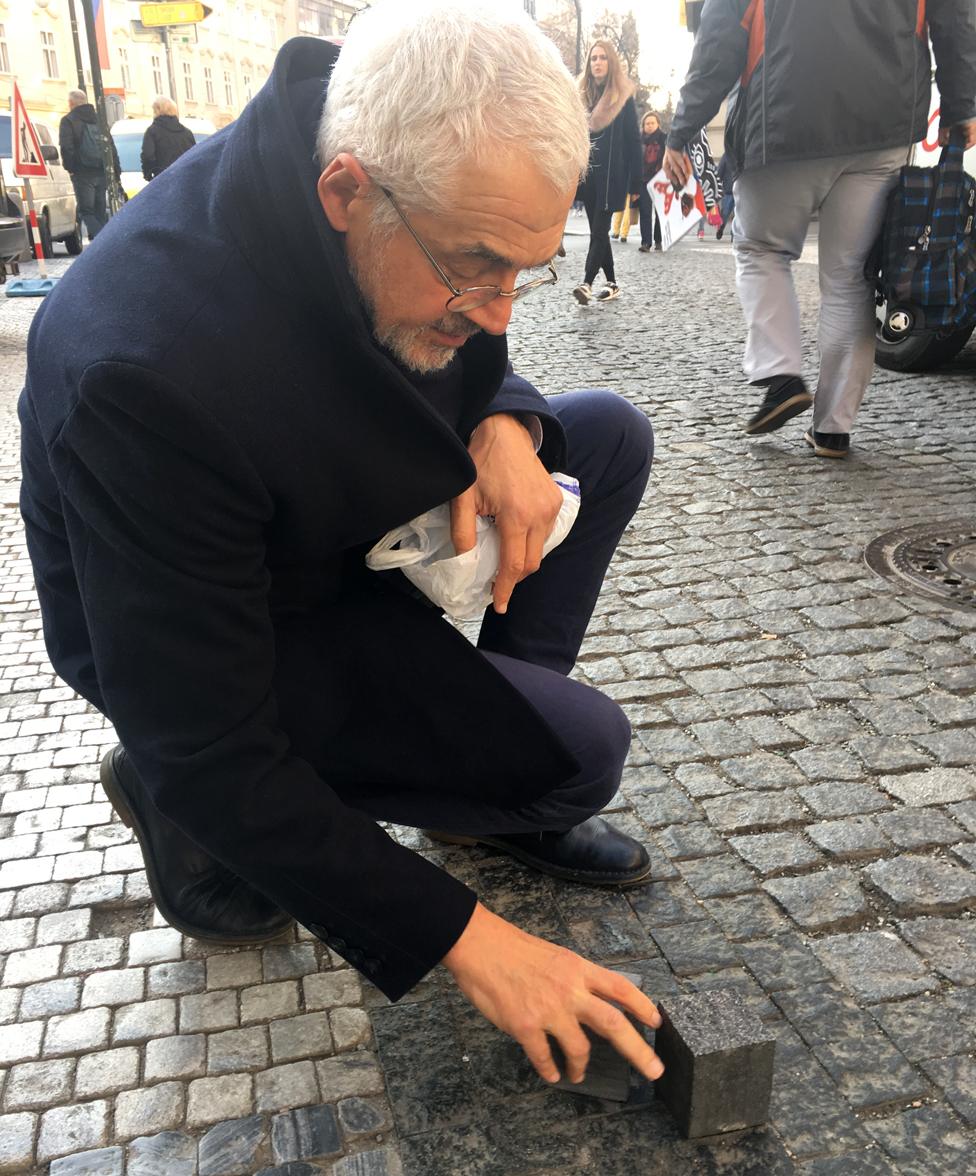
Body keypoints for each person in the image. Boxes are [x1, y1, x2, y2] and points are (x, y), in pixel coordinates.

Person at [20, 1, 664, 1090]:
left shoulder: (370, 150)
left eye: (528, 269)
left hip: (321, 516)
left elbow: (450, 331)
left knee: (602, 434)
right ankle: (188, 826)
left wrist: (505, 412)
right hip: (242, 617)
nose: (501, 311)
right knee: (585, 757)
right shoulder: (144, 372)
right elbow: (215, 746)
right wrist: (471, 942)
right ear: (347, 192)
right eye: (477, 267)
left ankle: (474, 750)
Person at [664, 0, 976, 458]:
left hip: (784, 112)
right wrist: (960, 105)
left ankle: (781, 374)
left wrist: (683, 129)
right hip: (883, 119)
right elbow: (953, 14)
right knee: (850, 276)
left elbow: (718, 39)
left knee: (760, 249)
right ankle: (833, 428)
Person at [572, 41, 641, 305]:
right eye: (593, 58)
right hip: (589, 175)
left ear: (610, 63)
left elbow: (634, 141)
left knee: (599, 231)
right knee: (597, 231)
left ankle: (586, 283)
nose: (597, 62)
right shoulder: (582, 98)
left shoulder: (621, 97)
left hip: (613, 175)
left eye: (602, 58)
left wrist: (636, 181)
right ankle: (612, 283)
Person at [58, 89, 121, 242]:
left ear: (71, 103)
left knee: (86, 211)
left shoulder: (69, 120)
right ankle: (101, 244)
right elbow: (110, 146)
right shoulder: (98, 119)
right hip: (101, 171)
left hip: (83, 172)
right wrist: (116, 171)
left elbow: (67, 147)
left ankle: (103, 241)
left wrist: (71, 168)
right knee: (99, 210)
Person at [141, 97, 197, 181]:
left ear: (157, 110)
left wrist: (148, 175)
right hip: (184, 180)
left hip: (162, 181)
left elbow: (148, 156)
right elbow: (194, 156)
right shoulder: (187, 133)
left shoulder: (152, 132)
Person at [637, 112, 667, 252]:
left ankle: (659, 240)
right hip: (643, 180)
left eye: (652, 123)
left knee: (660, 211)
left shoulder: (664, 139)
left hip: (661, 179)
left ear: (658, 124)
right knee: (645, 211)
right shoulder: (638, 140)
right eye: (646, 123)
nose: (649, 126)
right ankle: (646, 242)